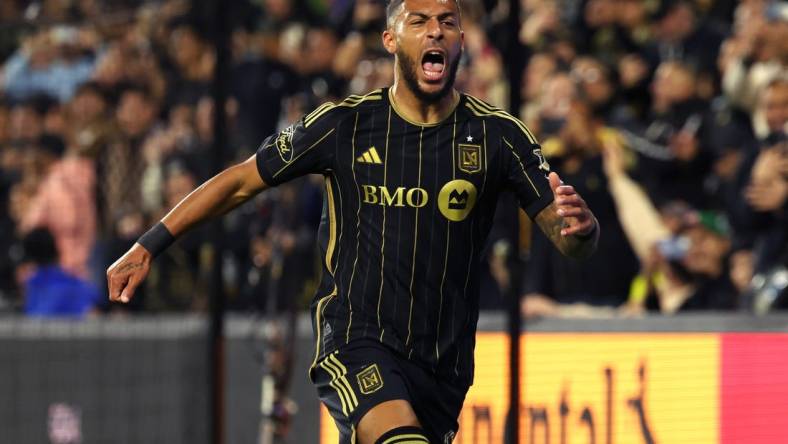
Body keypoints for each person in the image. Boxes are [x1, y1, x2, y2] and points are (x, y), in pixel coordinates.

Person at [106, 0, 599, 442]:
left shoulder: (499, 136)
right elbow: (240, 181)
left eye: (448, 23)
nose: (435, 32)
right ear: (391, 39)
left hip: (442, 363)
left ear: (462, 41)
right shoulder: (344, 125)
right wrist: (149, 243)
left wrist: (582, 229)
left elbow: (568, 237)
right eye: (419, 21)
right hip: (354, 341)